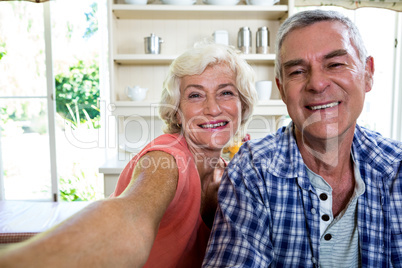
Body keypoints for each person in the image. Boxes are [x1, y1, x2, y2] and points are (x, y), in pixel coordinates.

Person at [0, 42, 257, 267]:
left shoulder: (225, 172)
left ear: (242, 105)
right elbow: (128, 217)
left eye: (225, 92)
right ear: (177, 112)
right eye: (195, 95)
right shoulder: (166, 159)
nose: (212, 108)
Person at [203, 9, 402, 268]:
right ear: (282, 89)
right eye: (297, 71)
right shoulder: (252, 170)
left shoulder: (397, 167)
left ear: (367, 73)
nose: (317, 84)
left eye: (334, 64)